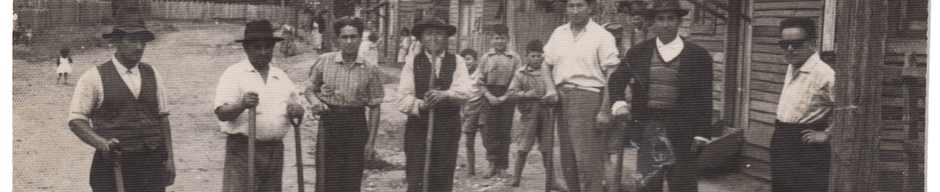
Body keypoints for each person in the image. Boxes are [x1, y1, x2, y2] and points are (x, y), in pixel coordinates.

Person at [608, 0, 714, 191]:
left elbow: (705, 98)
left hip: (683, 131)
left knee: (683, 185)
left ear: (679, 21)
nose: (665, 24)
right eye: (660, 19)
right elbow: (616, 79)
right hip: (649, 128)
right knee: (648, 185)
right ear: (653, 22)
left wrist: (701, 134)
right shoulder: (639, 52)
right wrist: (619, 103)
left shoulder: (699, 55)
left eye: (671, 19)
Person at [67, 7, 175, 191]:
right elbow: (76, 121)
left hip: (152, 167)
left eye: (142, 41)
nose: (139, 47)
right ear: (116, 41)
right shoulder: (94, 77)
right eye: (132, 40)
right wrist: (102, 144)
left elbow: (162, 117)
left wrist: (170, 159)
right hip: (113, 167)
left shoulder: (152, 74)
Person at [213, 20, 305, 192]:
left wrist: (296, 110)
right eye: (257, 47)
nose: (263, 52)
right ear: (246, 48)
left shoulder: (280, 76)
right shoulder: (234, 73)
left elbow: (296, 106)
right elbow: (221, 112)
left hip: (274, 151)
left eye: (268, 47)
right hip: (243, 150)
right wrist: (241, 105)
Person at [542, 0, 620, 190]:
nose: (575, 11)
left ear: (590, 8)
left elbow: (613, 74)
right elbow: (546, 64)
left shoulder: (602, 36)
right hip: (561, 99)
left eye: (580, 5)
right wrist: (551, 88)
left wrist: (604, 110)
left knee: (588, 161)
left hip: (588, 98)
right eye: (571, 6)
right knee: (567, 159)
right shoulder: (559, 33)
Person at [305, 17, 385, 191]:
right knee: (326, 178)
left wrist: (370, 142)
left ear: (360, 38)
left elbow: (375, 106)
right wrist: (316, 102)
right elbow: (309, 90)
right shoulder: (325, 61)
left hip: (356, 125)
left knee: (351, 178)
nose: (349, 41)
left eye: (353, 37)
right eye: (344, 37)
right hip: (329, 123)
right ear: (337, 40)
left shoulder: (370, 68)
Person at [396, 18, 474, 192]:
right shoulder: (412, 62)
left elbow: (467, 91)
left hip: (447, 128)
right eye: (429, 34)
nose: (434, 38)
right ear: (422, 39)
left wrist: (446, 94)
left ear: (446, 38)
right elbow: (402, 99)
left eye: (439, 34)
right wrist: (422, 105)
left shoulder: (457, 61)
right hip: (419, 127)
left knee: (442, 177)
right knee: (416, 176)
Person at [770, 18, 834, 192]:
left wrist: (826, 135)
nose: (790, 49)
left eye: (796, 44)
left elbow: (848, 109)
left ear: (812, 43)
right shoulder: (792, 67)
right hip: (782, 140)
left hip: (806, 145)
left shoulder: (824, 73)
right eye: (785, 44)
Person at [504, 40, 565, 191]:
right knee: (523, 147)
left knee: (547, 148)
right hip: (529, 115)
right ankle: (516, 178)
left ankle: (552, 181)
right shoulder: (521, 73)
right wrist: (526, 94)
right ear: (527, 56)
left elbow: (559, 92)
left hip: (546, 115)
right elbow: (510, 94)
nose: (536, 59)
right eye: (533, 56)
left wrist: (551, 98)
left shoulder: (550, 72)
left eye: (539, 56)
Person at [472, 24, 522, 179]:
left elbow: (517, 79)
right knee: (490, 131)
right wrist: (489, 96)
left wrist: (505, 96)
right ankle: (491, 164)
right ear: (491, 40)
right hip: (489, 96)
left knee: (504, 131)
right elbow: (479, 80)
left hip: (507, 96)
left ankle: (502, 166)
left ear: (507, 39)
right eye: (496, 38)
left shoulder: (514, 57)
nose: (499, 41)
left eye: (502, 38)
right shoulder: (486, 57)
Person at [458, 48, 484, 176]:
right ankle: (471, 170)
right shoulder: (459, 75)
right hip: (467, 108)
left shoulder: (480, 73)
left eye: (468, 59)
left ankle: (494, 166)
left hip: (481, 107)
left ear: (475, 61)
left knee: (487, 138)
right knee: (469, 140)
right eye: (463, 60)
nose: (465, 62)